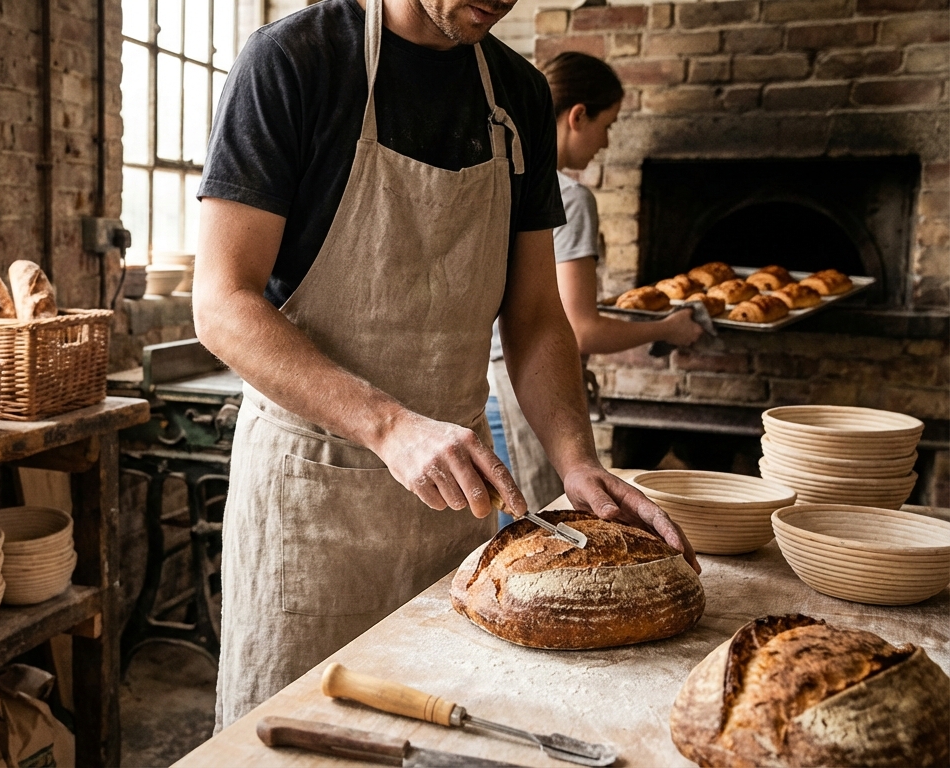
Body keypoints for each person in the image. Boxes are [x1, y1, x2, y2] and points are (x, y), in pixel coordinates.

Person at [192, 0, 700, 730]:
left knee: (443, 730)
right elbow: (222, 303)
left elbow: (535, 314)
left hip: (456, 504)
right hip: (312, 501)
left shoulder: (518, 95)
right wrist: (390, 426)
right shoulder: (292, 62)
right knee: (297, 735)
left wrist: (575, 461)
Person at [489, 51, 704, 514]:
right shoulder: (569, 197)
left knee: (511, 537)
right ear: (578, 116)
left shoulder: (503, 180)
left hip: (490, 390)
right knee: (543, 534)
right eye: (607, 125)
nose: (605, 143)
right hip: (528, 394)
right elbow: (580, 329)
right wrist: (668, 328)